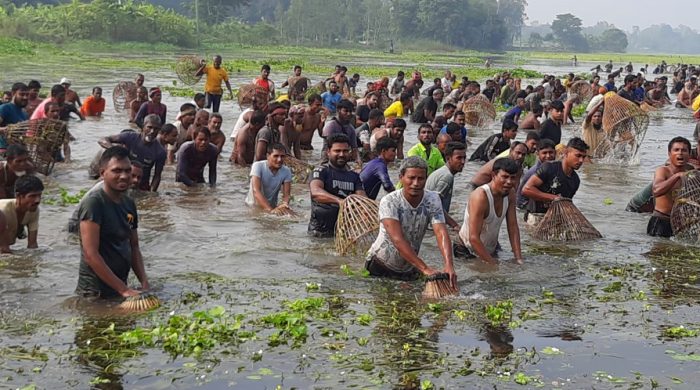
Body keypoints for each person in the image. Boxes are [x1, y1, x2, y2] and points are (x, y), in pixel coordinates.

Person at [365, 156, 457, 285]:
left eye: (421, 178)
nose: (416, 183)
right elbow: (397, 239)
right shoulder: (390, 201)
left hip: (410, 265)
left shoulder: (433, 199)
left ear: (426, 179)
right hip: (381, 265)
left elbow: (441, 232)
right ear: (401, 178)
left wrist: (449, 264)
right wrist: (425, 268)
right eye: (411, 178)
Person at [76, 146, 150, 299]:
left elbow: (134, 245)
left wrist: (144, 282)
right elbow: (90, 254)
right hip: (95, 293)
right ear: (103, 173)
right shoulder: (94, 203)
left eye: (127, 171)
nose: (124, 176)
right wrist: (123, 290)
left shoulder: (129, 203)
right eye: (117, 171)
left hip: (119, 286)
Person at [457, 158, 522, 264]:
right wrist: (492, 264)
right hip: (466, 249)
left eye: (513, 178)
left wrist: (518, 258)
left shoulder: (510, 194)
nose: (509, 182)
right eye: (505, 177)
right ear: (493, 175)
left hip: (490, 247)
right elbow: (473, 238)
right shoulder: (480, 196)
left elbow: (513, 227)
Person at [308, 134, 365, 237]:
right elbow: (316, 192)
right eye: (337, 151)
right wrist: (339, 201)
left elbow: (362, 200)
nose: (342, 154)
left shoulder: (354, 176)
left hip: (343, 232)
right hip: (318, 232)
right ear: (328, 152)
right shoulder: (320, 171)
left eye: (345, 151)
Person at [522, 137, 589, 226]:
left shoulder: (575, 180)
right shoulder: (549, 168)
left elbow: (564, 204)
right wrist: (553, 198)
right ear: (566, 153)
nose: (581, 160)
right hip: (535, 216)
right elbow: (526, 189)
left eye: (583, 157)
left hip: (554, 219)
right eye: (578, 156)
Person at [68, 161, 144, 234]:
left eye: (139, 178)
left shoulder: (125, 192)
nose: (135, 180)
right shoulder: (103, 190)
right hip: (78, 224)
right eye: (133, 175)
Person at [98, 114, 166, 192]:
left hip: (141, 185)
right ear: (143, 126)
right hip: (122, 180)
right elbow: (103, 139)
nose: (152, 132)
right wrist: (115, 150)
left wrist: (152, 194)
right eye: (149, 127)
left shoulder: (160, 151)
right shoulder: (130, 137)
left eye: (156, 129)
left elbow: (157, 176)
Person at [647, 137, 694, 237]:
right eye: (676, 150)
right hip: (661, 222)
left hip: (681, 225)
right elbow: (656, 190)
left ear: (689, 155)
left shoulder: (692, 172)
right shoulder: (663, 171)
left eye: (684, 150)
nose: (680, 153)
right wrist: (676, 176)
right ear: (669, 154)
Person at [426, 142, 467, 230]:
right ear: (448, 158)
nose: (463, 162)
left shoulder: (442, 172)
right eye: (459, 158)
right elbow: (435, 205)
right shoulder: (447, 176)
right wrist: (455, 225)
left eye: (464, 158)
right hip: (432, 227)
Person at [246, 143, 293, 214]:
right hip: (253, 206)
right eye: (276, 156)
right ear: (268, 156)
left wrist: (285, 204)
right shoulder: (258, 166)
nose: (279, 159)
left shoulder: (286, 171)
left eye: (282, 156)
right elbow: (256, 191)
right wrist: (270, 210)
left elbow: (286, 195)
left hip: (272, 206)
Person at [0, 175, 43, 254]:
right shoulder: (3, 210)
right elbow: (4, 249)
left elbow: (32, 245)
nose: (37, 200)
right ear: (18, 196)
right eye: (32, 196)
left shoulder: (34, 211)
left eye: (39, 195)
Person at [517, 139, 556, 209]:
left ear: (555, 153)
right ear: (537, 154)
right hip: (525, 205)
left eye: (551, 152)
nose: (548, 156)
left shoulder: (554, 168)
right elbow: (522, 195)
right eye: (544, 153)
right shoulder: (534, 172)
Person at [321, 99, 361, 166]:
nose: (348, 114)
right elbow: (326, 149)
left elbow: (354, 149)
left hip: (343, 158)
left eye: (350, 111)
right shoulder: (330, 126)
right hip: (329, 159)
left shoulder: (351, 128)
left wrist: (358, 161)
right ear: (338, 111)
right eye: (345, 111)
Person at [0, 82, 29, 152]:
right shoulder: (5, 108)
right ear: (13, 94)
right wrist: (5, 129)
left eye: (27, 95)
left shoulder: (24, 113)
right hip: (3, 149)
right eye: (21, 94)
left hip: (18, 150)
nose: (25, 97)